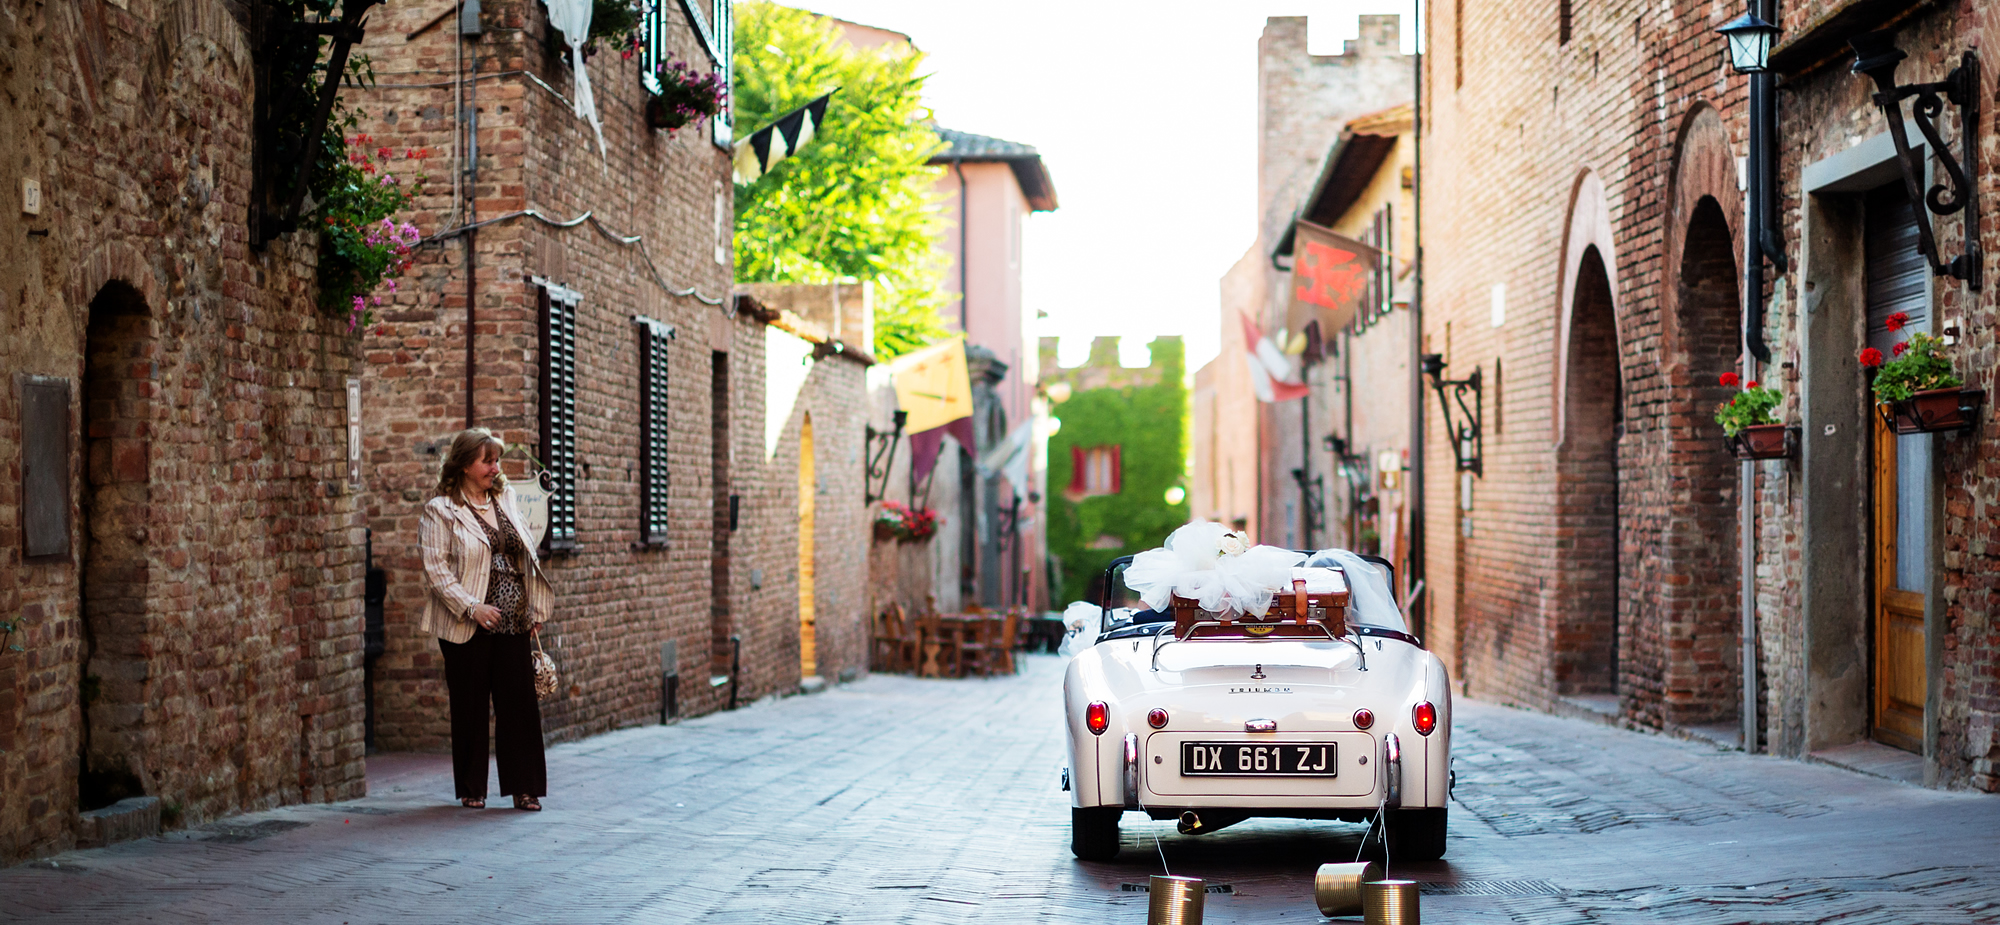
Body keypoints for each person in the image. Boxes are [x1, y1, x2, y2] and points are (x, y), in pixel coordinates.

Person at [418, 428, 554, 811]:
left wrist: (533, 609)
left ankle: (524, 789)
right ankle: (472, 788)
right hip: (467, 622)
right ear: (464, 466)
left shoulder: (506, 498)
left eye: (496, 460)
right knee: (471, 705)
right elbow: (436, 569)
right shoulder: (440, 509)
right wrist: (472, 606)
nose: (496, 468)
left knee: (520, 705)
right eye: (487, 461)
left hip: (512, 620)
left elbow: (525, 555)